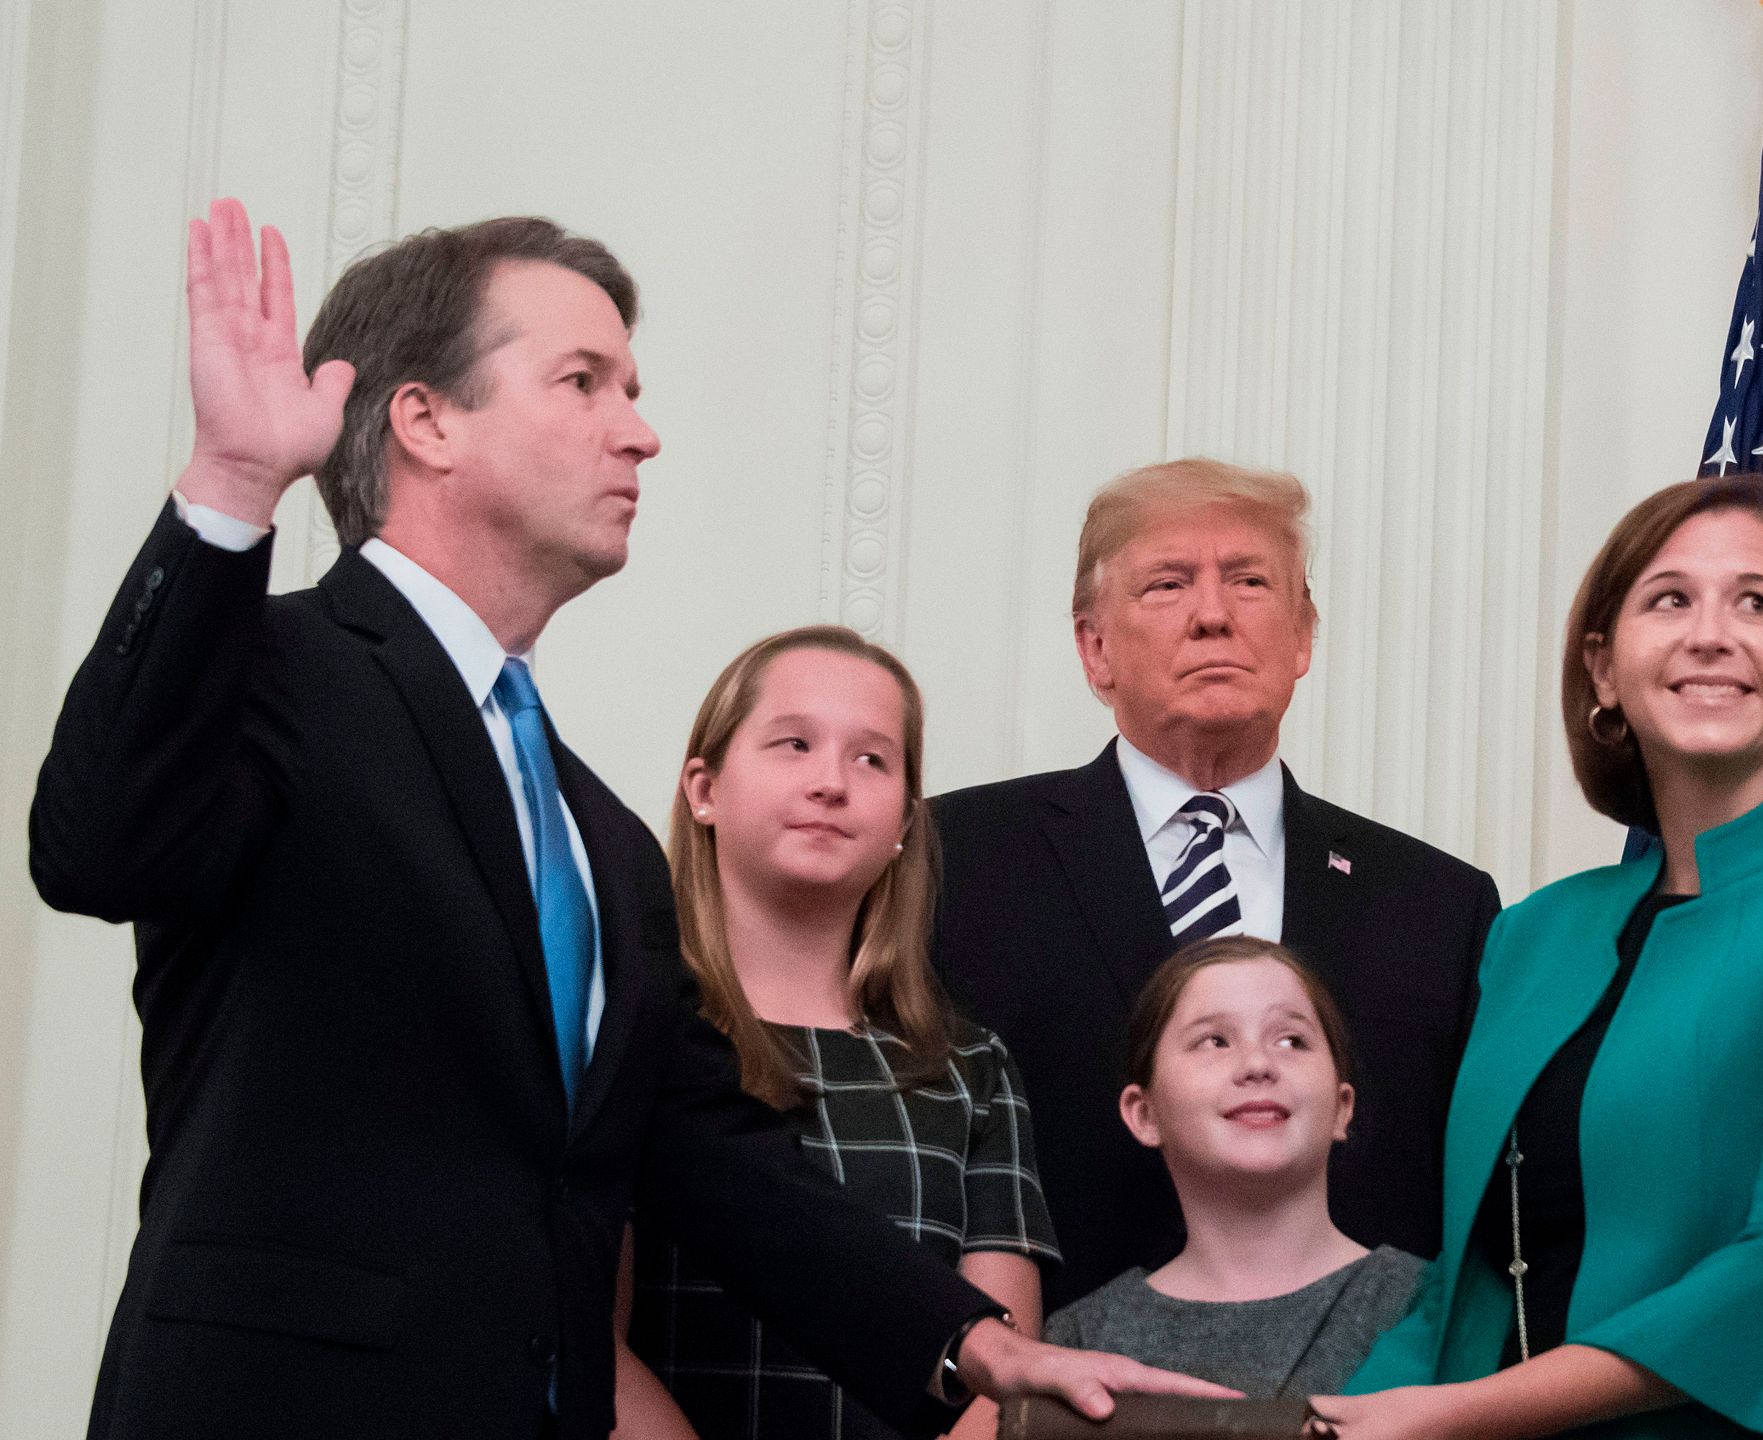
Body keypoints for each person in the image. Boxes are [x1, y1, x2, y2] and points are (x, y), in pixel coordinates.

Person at [25, 201, 1223, 1440]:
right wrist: (229, 488)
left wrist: (971, 1346)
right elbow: (92, 847)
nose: (640, 435)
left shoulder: (595, 832)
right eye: (584, 382)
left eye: (631, 390)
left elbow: (709, 1156)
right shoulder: (273, 675)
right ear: (427, 420)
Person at [1322, 475, 1763, 1439]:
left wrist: (1461, 1417)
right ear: (1604, 669)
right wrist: (1325, 1420)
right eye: (1670, 599)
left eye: (1756, 603)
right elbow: (1467, 1277)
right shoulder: (1531, 936)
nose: (1709, 634)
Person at [932, 458, 1501, 1306]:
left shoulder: (1440, 907)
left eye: (1250, 581)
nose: (1212, 616)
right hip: (1047, 1393)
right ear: (1095, 648)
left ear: (1303, 637)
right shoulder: (952, 860)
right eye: (1167, 584)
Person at [613, 627, 1059, 1440]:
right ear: (703, 787)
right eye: (794, 743)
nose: (831, 783)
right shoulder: (625, 1032)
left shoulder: (968, 1068)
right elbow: (591, 1346)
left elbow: (1005, 1374)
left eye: (872, 759)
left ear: (904, 823)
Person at [1043, 937, 1424, 1400]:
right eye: (1214, 1041)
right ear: (1145, 1114)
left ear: (1342, 1108)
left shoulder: (1428, 1305)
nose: (1258, 1064)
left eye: (1291, 1040)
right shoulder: (1081, 1343)